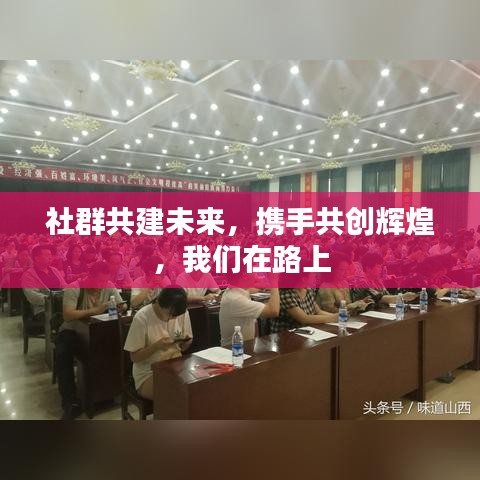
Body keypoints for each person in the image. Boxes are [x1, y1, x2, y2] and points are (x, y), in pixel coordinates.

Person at [57, 263, 126, 420]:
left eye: (104, 281)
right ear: (89, 277)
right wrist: (95, 310)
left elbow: (122, 305)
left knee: (117, 348)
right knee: (63, 355)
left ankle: (112, 390)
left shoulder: (108, 286)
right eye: (99, 281)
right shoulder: (74, 288)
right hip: (73, 331)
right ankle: (70, 401)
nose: (102, 285)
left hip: (98, 331)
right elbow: (68, 315)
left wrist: (118, 307)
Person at [124, 288, 192, 400]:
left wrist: (186, 342)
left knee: (198, 386)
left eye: (176, 316)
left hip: (175, 366)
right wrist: (156, 346)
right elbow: (134, 357)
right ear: (159, 303)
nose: (173, 318)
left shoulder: (182, 313)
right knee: (176, 394)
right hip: (149, 372)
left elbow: (183, 348)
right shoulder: (142, 317)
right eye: (170, 314)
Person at [219, 270, 280, 345]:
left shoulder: (234, 290)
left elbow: (251, 289)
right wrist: (274, 282)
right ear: (245, 275)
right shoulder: (235, 299)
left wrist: (263, 288)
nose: (255, 274)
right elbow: (273, 311)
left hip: (246, 346)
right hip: (235, 349)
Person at [352, 252, 418, 305]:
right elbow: (380, 298)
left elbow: (387, 295)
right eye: (378, 267)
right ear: (368, 268)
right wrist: (403, 296)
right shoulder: (362, 282)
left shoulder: (377, 280)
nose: (381, 270)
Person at [21, 244, 67, 319]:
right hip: (43, 308)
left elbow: (65, 286)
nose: (50, 257)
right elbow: (32, 296)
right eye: (47, 255)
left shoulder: (54, 270)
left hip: (61, 304)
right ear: (37, 258)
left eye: (50, 255)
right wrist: (53, 300)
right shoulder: (28, 275)